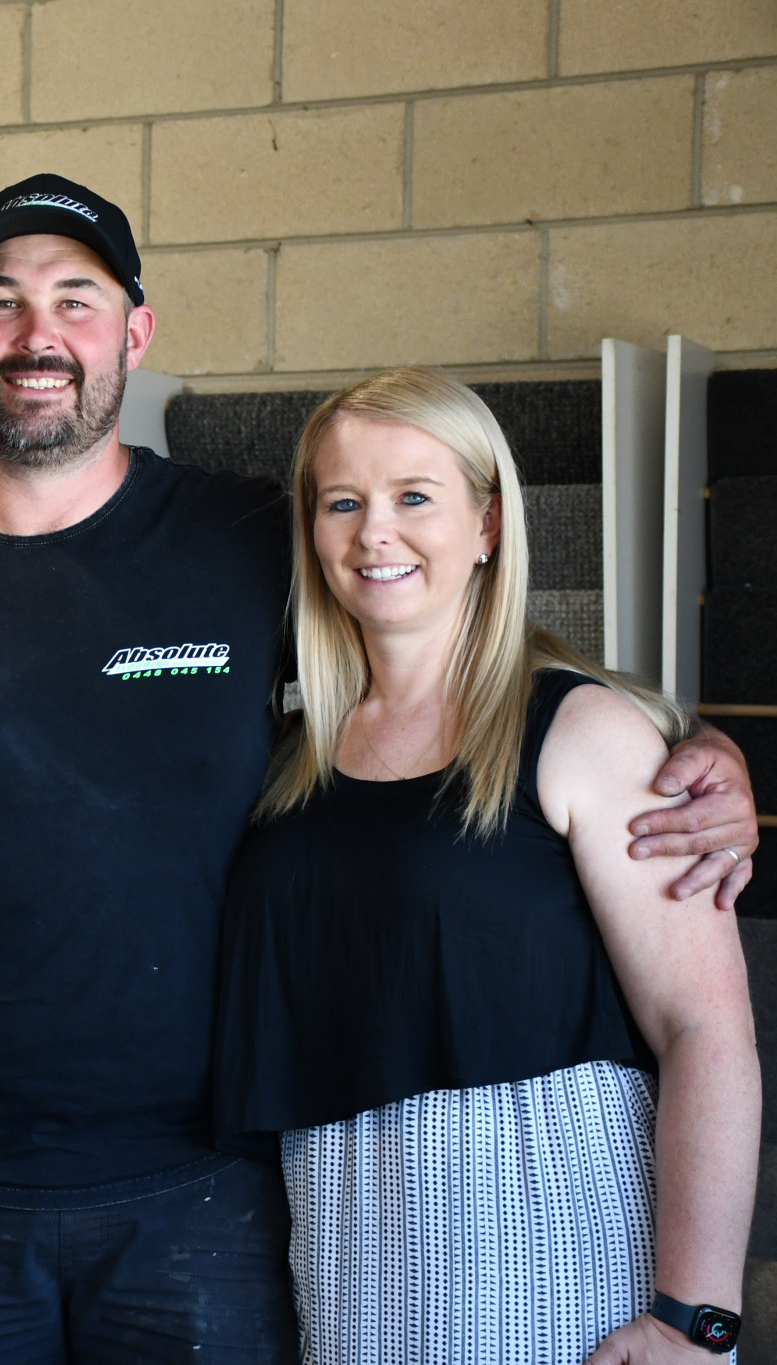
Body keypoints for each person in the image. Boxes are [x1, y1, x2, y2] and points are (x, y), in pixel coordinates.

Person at [0, 174, 762, 1361]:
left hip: (208, 1191)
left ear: (133, 333)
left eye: (76, 302)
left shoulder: (246, 541)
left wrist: (693, 748)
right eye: (1, 301)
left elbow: (440, 647)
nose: (39, 337)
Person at [214, 367, 758, 1363]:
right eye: (342, 502)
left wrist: (696, 1317)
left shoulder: (581, 730)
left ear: (486, 526)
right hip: (343, 1232)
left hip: (542, 1223)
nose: (373, 532)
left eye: (412, 496)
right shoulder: (283, 757)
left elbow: (705, 1033)